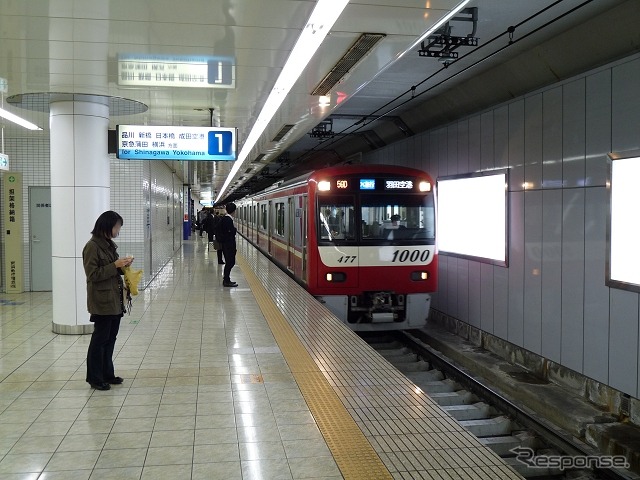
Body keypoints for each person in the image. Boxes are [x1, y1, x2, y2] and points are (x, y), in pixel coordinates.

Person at [83, 210, 133, 391]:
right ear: (107, 226)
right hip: (102, 301)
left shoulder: (108, 245)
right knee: (100, 340)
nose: (118, 230)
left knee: (110, 338)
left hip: (115, 299)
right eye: (117, 226)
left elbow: (112, 270)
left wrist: (122, 266)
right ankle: (95, 378)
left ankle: (107, 374)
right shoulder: (92, 247)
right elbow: (93, 274)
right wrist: (115, 265)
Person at [218, 203, 238, 287]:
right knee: (230, 262)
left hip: (226, 244)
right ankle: (226, 280)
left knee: (229, 262)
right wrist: (234, 230)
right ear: (233, 211)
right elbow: (230, 232)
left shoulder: (225, 218)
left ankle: (226, 279)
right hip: (228, 244)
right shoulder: (228, 220)